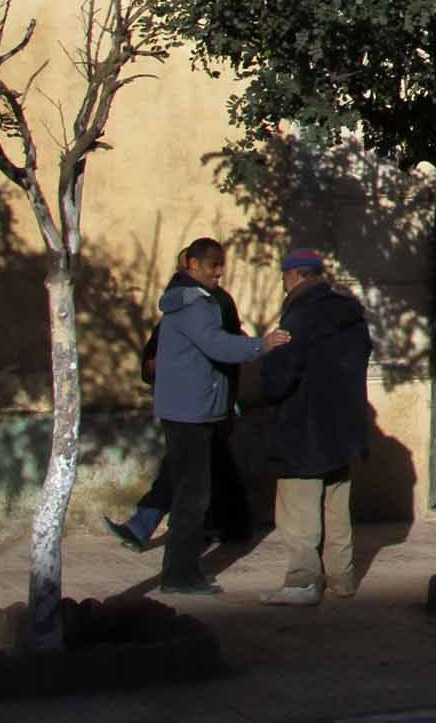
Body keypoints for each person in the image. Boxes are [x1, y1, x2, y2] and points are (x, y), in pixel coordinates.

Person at [144, 238, 288, 596]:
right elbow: (217, 345)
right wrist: (261, 345)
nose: (219, 272)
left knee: (193, 492)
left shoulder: (189, 299)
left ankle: (183, 570)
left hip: (191, 408)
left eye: (221, 264)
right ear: (193, 265)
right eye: (213, 265)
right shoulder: (194, 304)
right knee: (192, 497)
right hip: (189, 412)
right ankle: (179, 576)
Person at [108, 243, 257, 554]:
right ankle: (214, 530)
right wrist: (153, 363)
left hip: (209, 402)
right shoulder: (184, 302)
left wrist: (253, 352)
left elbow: (224, 346)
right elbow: (161, 343)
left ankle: (198, 534)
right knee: (187, 471)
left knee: (191, 474)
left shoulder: (212, 302)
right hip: (190, 404)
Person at [255, 248, 373, 606]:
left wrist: (266, 363)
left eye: (283, 277)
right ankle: (342, 578)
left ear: (294, 276)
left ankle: (303, 582)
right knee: (337, 508)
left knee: (299, 510)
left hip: (303, 429)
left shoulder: (298, 316)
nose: (283, 284)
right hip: (344, 429)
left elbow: (278, 379)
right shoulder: (351, 314)